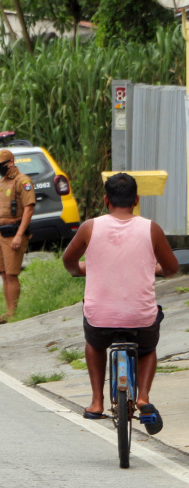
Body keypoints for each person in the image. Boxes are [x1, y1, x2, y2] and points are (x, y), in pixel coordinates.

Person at [62, 172, 178, 432]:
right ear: (136, 200)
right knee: (147, 349)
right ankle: (143, 398)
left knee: (94, 343)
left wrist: (80, 270)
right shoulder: (151, 229)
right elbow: (171, 269)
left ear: (106, 200)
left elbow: (69, 261)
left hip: (100, 319)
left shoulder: (89, 227)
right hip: (140, 319)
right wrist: (155, 268)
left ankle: (95, 401)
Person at [0, 149, 35, 325]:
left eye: (1, 165)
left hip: (14, 232)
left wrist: (19, 235)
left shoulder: (23, 181)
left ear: (11, 163)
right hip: (0, 232)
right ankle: (7, 312)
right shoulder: (2, 180)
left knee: (12, 274)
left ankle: (11, 313)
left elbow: (29, 208)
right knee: (3, 272)